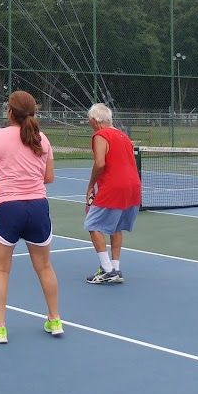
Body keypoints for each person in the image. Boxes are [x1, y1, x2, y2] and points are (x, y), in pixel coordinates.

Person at [0, 90, 62, 343]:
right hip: (38, 208)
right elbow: (49, 177)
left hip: (8, 209)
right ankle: (54, 320)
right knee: (44, 266)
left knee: (0, 269)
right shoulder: (43, 139)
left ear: (10, 111)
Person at [83, 103, 140, 284]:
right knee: (115, 226)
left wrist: (91, 186)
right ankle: (115, 268)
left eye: (89, 119)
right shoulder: (124, 136)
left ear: (94, 120)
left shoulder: (100, 135)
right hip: (134, 186)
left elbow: (100, 163)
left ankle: (107, 269)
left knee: (92, 224)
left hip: (114, 187)